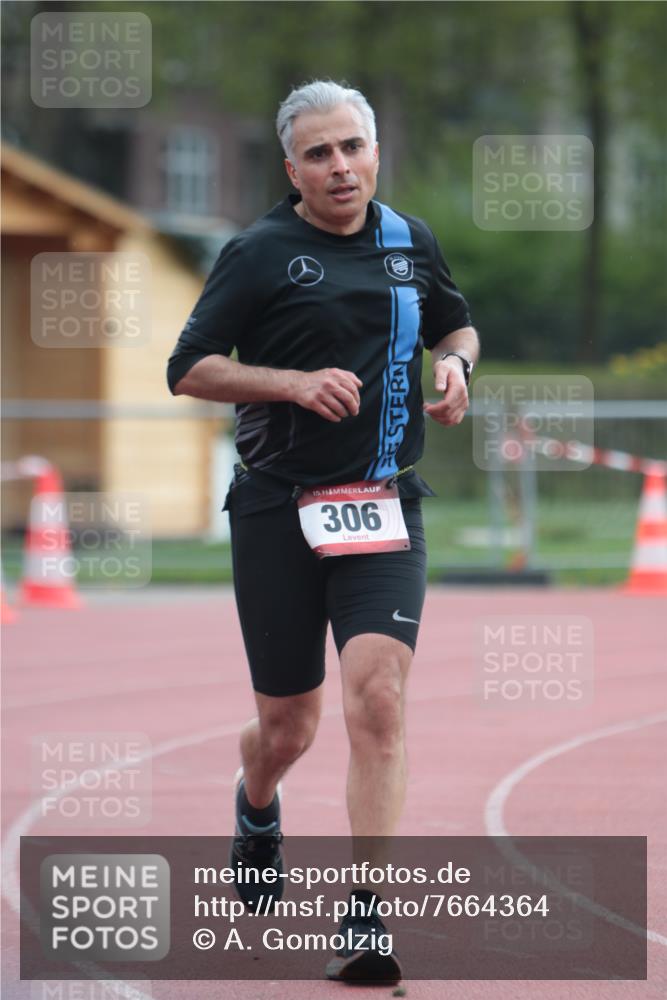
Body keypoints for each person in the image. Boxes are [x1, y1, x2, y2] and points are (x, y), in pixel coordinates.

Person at [167, 79, 479, 982]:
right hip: (276, 508)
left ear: (377, 150)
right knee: (288, 727)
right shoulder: (259, 252)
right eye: (318, 153)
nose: (339, 167)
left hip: (382, 500)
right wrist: (291, 383)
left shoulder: (406, 239)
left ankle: (367, 917)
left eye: (352, 147)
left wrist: (456, 370)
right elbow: (188, 368)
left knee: (377, 702)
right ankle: (255, 799)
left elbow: (454, 323)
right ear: (292, 168)